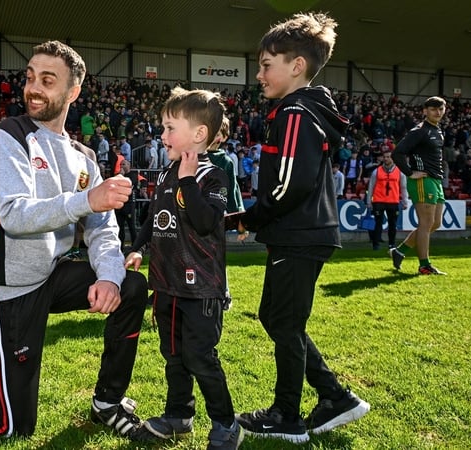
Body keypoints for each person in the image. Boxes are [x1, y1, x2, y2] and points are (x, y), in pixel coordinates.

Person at [0, 40, 153, 442]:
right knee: (14, 428)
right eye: (29, 78)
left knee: (132, 287)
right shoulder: (10, 135)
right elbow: (14, 215)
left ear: (73, 92)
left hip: (52, 274)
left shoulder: (84, 157)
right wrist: (86, 199)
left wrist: (110, 277)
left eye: (47, 80)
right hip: (10, 286)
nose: (34, 88)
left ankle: (108, 402)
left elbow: (102, 228)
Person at [234, 13, 370, 444]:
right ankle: (334, 398)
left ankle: (287, 416)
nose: (259, 74)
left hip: (300, 232)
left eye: (266, 64)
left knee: (284, 323)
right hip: (301, 232)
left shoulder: (295, 112)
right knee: (278, 319)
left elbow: (290, 185)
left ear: (296, 66)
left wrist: (247, 217)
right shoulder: (300, 109)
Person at [124, 87, 243, 449]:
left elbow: (207, 222)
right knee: (173, 356)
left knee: (200, 358)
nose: (162, 136)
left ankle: (225, 423)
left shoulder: (212, 177)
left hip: (201, 291)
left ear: (199, 134)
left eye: (169, 127)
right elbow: (152, 219)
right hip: (165, 285)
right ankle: (179, 416)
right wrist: (139, 248)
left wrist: (189, 180)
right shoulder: (164, 175)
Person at [389, 96, 448, 275]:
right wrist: (409, 172)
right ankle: (424, 266)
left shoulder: (437, 131)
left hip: (436, 181)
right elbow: (397, 153)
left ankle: (400, 251)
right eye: (433, 109)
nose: (437, 112)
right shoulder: (419, 131)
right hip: (423, 180)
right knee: (426, 222)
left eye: (440, 109)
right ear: (425, 111)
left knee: (435, 223)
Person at [366, 150, 408, 250]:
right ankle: (376, 244)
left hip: (393, 201)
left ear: (392, 158)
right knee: (378, 223)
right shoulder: (377, 171)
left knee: (392, 225)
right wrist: (369, 201)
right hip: (378, 200)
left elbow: (403, 187)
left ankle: (391, 244)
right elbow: (371, 186)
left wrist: (405, 201)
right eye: (384, 157)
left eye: (388, 157)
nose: (386, 159)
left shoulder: (399, 172)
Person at [207, 116, 245, 213]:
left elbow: (232, 189)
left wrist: (235, 212)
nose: (211, 137)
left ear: (224, 137)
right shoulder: (193, 157)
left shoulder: (226, 162)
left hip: (217, 214)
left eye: (216, 134)